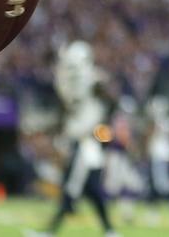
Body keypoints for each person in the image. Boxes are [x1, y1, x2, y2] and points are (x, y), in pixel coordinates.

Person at [25, 41, 119, 237]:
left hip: (87, 142)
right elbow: (68, 110)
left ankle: (51, 231)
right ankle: (110, 231)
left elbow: (111, 101)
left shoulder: (95, 80)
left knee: (72, 187)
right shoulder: (67, 82)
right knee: (91, 190)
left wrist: (100, 124)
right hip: (80, 140)